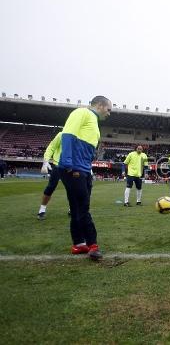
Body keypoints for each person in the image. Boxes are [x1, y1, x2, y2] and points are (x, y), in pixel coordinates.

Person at [58, 95, 111, 260]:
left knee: (76, 208)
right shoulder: (82, 113)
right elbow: (67, 135)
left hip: (83, 170)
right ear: (100, 105)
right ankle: (93, 245)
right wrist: (68, 165)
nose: (109, 113)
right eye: (108, 109)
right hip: (74, 169)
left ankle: (79, 244)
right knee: (82, 206)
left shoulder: (94, 122)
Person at [37, 132, 63, 220]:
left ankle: (72, 209)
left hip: (72, 166)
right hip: (58, 165)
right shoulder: (61, 135)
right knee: (51, 187)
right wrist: (46, 161)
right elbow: (51, 147)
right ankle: (42, 210)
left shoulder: (80, 136)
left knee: (74, 189)